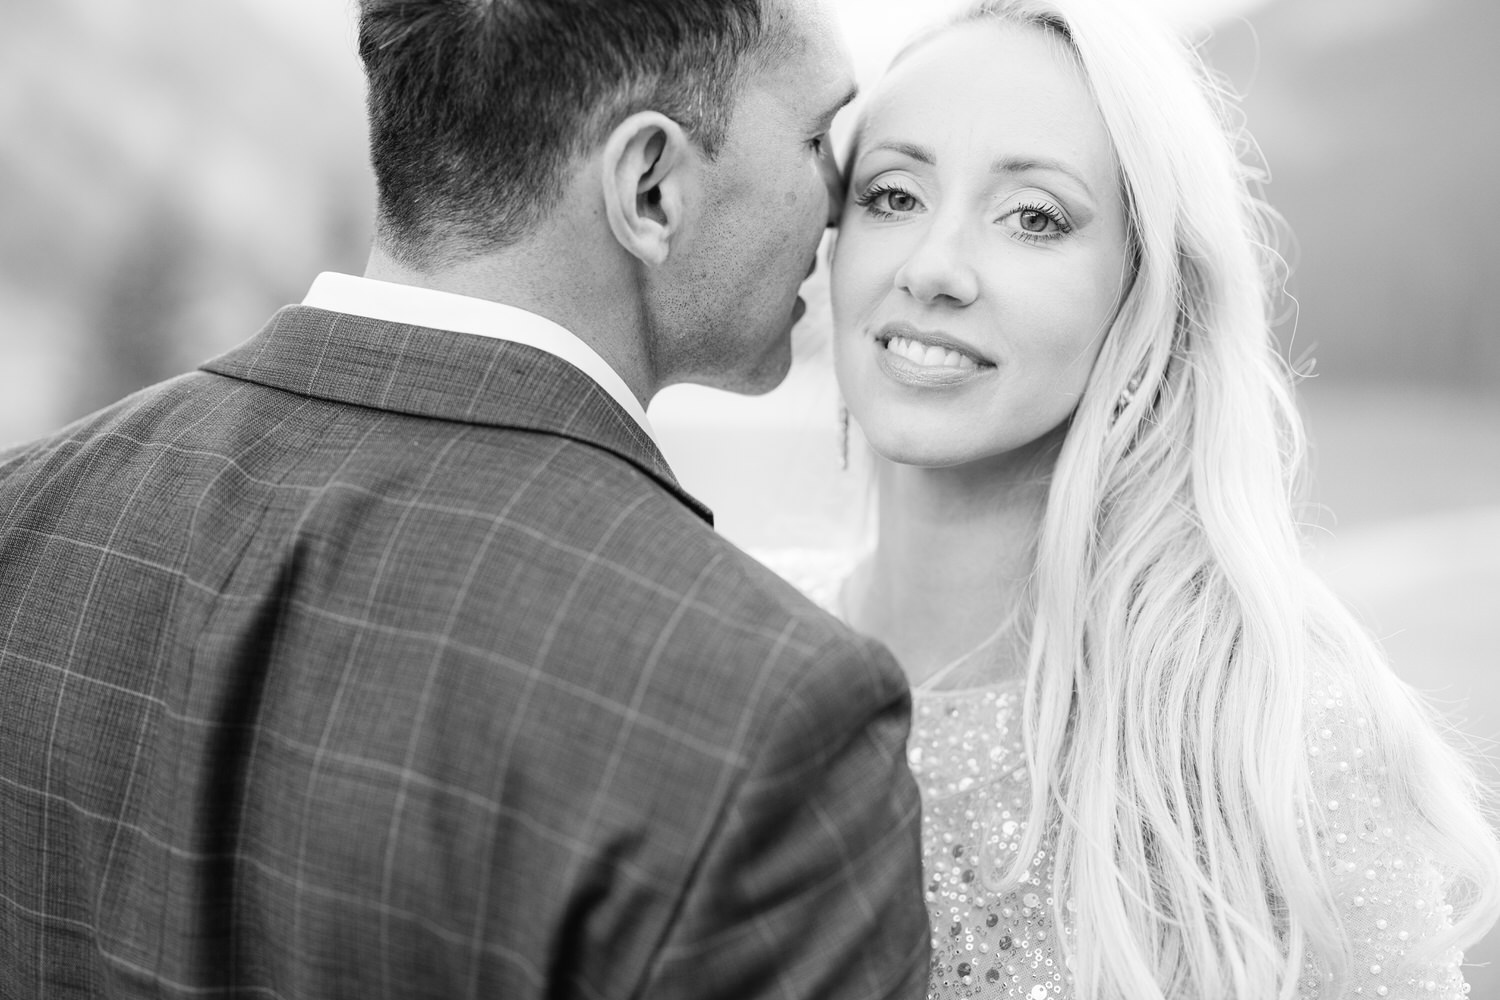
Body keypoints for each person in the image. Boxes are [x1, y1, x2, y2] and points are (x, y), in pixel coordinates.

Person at [0, 1, 931, 997]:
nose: (840, 200)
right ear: (650, 185)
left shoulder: (26, 514)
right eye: (814, 137)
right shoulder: (771, 707)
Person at [792, 0, 1500, 996]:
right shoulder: (723, 660)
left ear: (1146, 295)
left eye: (1034, 217)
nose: (935, 267)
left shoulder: (1276, 729)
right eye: (895, 195)